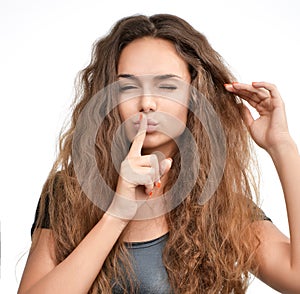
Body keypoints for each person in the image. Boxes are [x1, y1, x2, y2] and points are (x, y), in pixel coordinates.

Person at [18, 14, 300, 294]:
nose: (147, 103)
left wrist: (282, 146)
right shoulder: (69, 192)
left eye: (167, 86)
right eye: (128, 86)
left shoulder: (220, 207)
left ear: (194, 94)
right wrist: (117, 213)